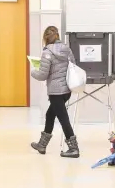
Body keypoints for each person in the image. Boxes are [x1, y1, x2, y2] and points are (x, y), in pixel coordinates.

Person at [30, 26, 80, 158]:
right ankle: (42, 144)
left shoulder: (47, 52)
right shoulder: (66, 49)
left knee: (63, 118)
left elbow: (42, 75)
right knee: (50, 114)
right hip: (66, 90)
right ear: (57, 36)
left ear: (45, 38)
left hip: (55, 91)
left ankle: (74, 148)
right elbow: (73, 66)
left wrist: (32, 71)